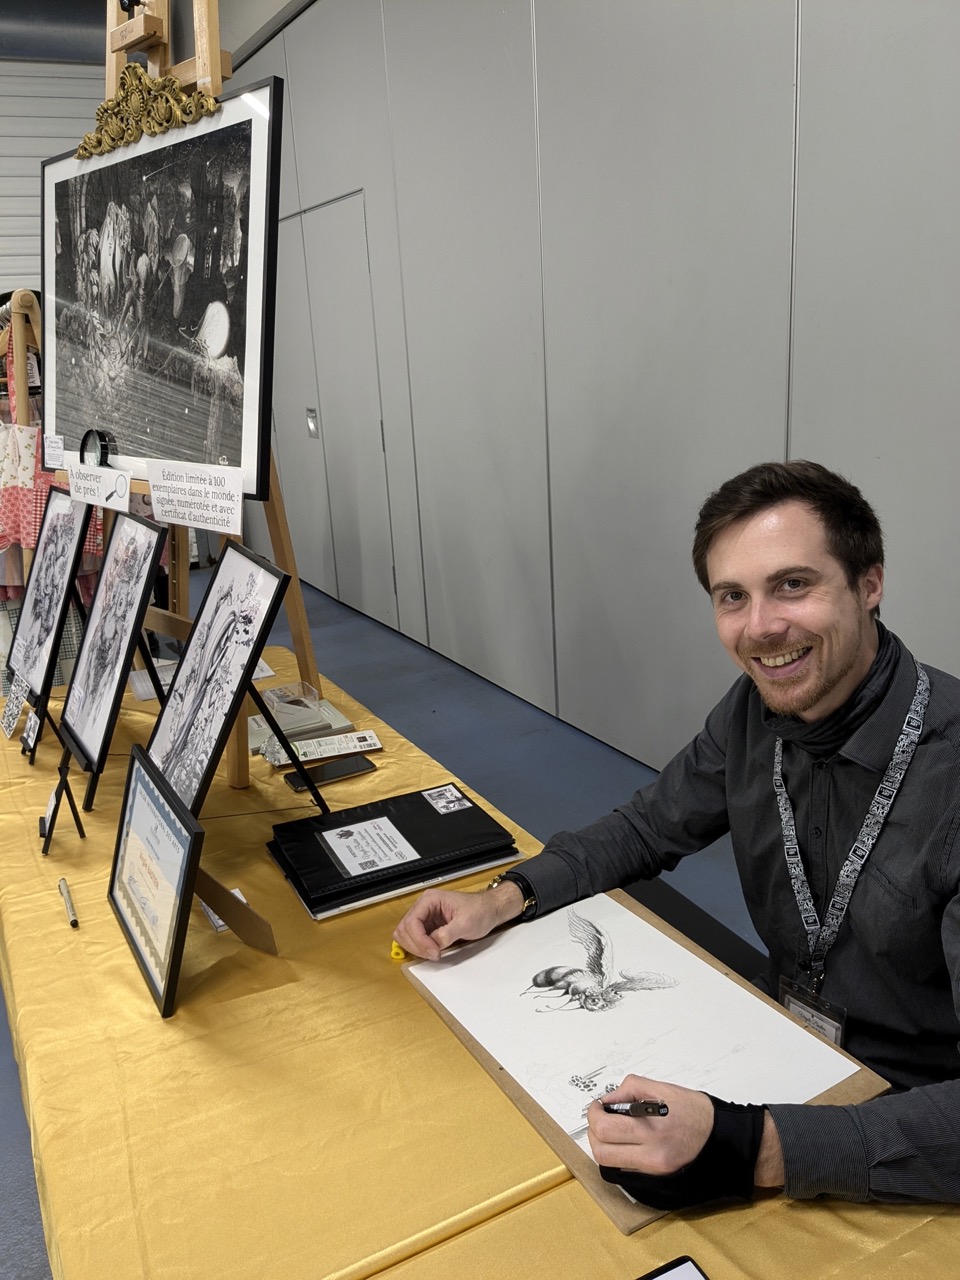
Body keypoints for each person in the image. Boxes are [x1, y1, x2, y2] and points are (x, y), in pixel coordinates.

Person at [393, 460, 960, 1208]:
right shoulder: (756, 712)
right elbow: (648, 825)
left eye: (793, 584)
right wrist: (504, 898)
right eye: (733, 596)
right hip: (782, 1052)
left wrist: (753, 1148)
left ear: (869, 584)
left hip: (914, 1131)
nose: (761, 628)